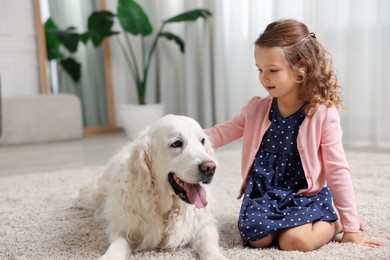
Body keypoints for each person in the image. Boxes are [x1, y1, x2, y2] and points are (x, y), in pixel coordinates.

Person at [204, 18, 383, 251]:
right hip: (265, 195)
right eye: (260, 69)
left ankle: (334, 220)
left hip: (304, 195)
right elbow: (220, 133)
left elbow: (337, 170)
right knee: (256, 239)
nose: (264, 78)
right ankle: (287, 225)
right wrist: (184, 136)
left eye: (273, 70)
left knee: (295, 242)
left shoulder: (322, 114)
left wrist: (350, 227)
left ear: (302, 68)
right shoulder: (256, 109)